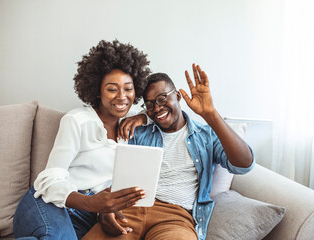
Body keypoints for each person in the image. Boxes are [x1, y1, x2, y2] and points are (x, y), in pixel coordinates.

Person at [85, 64, 255, 240]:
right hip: (130, 212)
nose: (157, 108)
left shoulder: (206, 136)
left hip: (175, 218)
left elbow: (244, 165)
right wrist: (104, 211)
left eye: (162, 99)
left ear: (178, 96)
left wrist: (211, 114)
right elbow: (110, 176)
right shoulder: (137, 131)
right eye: (150, 104)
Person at [13, 39, 152, 239]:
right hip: (50, 203)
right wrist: (93, 203)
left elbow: (164, 111)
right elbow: (49, 180)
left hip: (89, 216)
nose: (122, 96)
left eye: (128, 88)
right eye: (112, 89)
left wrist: (143, 116)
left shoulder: (132, 124)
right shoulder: (77, 121)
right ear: (97, 90)